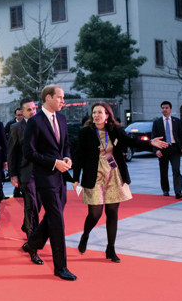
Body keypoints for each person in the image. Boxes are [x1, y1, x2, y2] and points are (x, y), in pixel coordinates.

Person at [72, 102, 168, 263]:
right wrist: (75, 178)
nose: (96, 115)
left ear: (107, 115)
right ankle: (85, 235)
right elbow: (79, 156)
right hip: (94, 176)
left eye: (99, 112)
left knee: (112, 213)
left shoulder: (115, 131)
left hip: (114, 174)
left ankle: (111, 248)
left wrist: (150, 142)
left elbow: (131, 142)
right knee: (95, 214)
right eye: (94, 112)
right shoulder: (85, 132)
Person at [22, 85, 76, 281]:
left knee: (54, 215)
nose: (63, 101)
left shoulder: (61, 118)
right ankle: (60, 267)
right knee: (57, 220)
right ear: (48, 97)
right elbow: (29, 153)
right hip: (45, 177)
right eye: (60, 98)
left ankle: (32, 243)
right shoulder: (34, 122)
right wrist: (55, 163)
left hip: (61, 177)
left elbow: (66, 144)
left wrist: (67, 158)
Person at [7, 98, 40, 241]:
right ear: (22, 112)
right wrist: (13, 174)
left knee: (38, 203)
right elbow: (11, 152)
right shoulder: (16, 127)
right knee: (30, 202)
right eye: (28, 110)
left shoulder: (43, 124)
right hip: (25, 172)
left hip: (42, 171)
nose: (32, 112)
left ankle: (27, 225)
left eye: (34, 109)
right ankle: (32, 235)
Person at [152, 101, 182, 199]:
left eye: (166, 108)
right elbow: (153, 137)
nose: (164, 110)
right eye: (163, 108)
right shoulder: (157, 122)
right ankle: (165, 190)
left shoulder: (176, 121)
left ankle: (178, 191)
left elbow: (180, 135)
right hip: (162, 148)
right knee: (163, 171)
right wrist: (156, 150)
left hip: (174, 148)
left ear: (170, 109)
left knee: (176, 170)